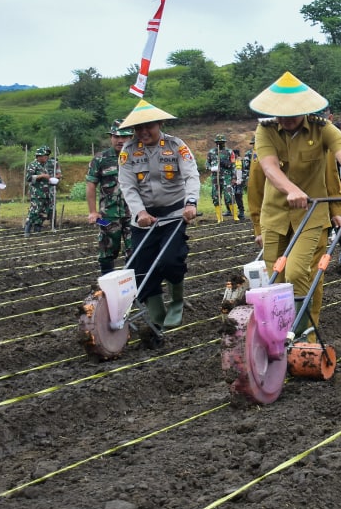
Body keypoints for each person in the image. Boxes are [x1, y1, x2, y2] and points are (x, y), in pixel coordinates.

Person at [249, 72, 341, 336]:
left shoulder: (323, 128)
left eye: (293, 113)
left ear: (306, 110)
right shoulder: (266, 129)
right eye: (281, 114)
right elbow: (269, 167)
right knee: (276, 278)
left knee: (297, 272)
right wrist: (291, 190)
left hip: (312, 213)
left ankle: (304, 330)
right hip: (275, 214)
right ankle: (280, 333)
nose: (287, 119)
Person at [117, 99, 201, 347]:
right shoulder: (129, 151)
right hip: (144, 218)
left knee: (170, 260)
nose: (143, 133)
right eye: (138, 128)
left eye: (148, 127)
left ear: (160, 123)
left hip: (174, 214)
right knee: (141, 268)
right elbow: (128, 186)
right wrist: (139, 212)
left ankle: (176, 301)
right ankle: (156, 317)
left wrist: (191, 203)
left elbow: (191, 175)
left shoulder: (176, 146)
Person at [86, 121, 134, 275]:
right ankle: (108, 286)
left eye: (124, 137)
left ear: (131, 137)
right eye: (116, 136)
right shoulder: (100, 159)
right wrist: (93, 212)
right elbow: (91, 184)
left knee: (135, 250)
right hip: (108, 214)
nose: (120, 140)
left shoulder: (137, 156)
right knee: (106, 250)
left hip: (134, 213)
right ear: (111, 137)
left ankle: (134, 289)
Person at [25, 146, 59, 234]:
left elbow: (55, 175)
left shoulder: (46, 165)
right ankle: (27, 229)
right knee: (34, 211)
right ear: (39, 156)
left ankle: (37, 229)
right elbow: (29, 178)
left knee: (43, 212)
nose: (46, 157)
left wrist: (52, 179)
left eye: (47, 156)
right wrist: (42, 176)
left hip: (47, 193)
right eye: (44, 156)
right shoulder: (33, 165)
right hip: (37, 193)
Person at [206, 135, 241, 221]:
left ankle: (235, 216)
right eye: (218, 142)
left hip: (226, 177)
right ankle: (219, 218)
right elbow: (207, 164)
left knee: (229, 196)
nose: (220, 144)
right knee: (215, 196)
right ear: (215, 143)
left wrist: (234, 177)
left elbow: (233, 166)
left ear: (224, 143)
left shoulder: (229, 152)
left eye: (222, 143)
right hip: (215, 178)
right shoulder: (211, 152)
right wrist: (211, 168)